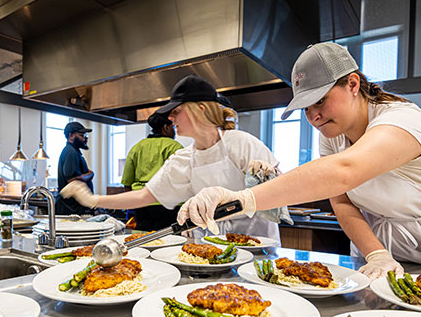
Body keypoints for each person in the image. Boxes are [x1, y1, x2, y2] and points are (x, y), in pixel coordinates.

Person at [175, 42, 421, 278]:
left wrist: (243, 198)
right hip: (379, 248)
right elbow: (342, 201)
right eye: (305, 107)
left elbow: (343, 172)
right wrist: (376, 253)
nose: (314, 115)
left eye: (320, 100)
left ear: (353, 85)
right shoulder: (332, 134)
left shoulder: (404, 120)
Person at [61, 75, 282, 240]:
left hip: (256, 245)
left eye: (176, 111)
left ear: (201, 109)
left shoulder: (241, 143)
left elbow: (277, 199)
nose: (170, 117)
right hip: (214, 248)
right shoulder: (184, 159)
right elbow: (144, 196)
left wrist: (265, 179)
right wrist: (94, 199)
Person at [120, 112, 183, 230]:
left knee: (144, 239)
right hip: (168, 205)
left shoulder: (137, 147)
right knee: (169, 240)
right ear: (166, 127)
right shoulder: (174, 147)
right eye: (173, 127)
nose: (174, 131)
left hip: (142, 203)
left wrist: (132, 206)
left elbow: (127, 183)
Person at [54, 121, 95, 215]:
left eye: (86, 135)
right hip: (71, 211)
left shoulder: (75, 152)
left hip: (75, 209)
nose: (85, 138)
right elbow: (73, 180)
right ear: (71, 135)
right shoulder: (70, 152)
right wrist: (90, 174)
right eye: (82, 135)